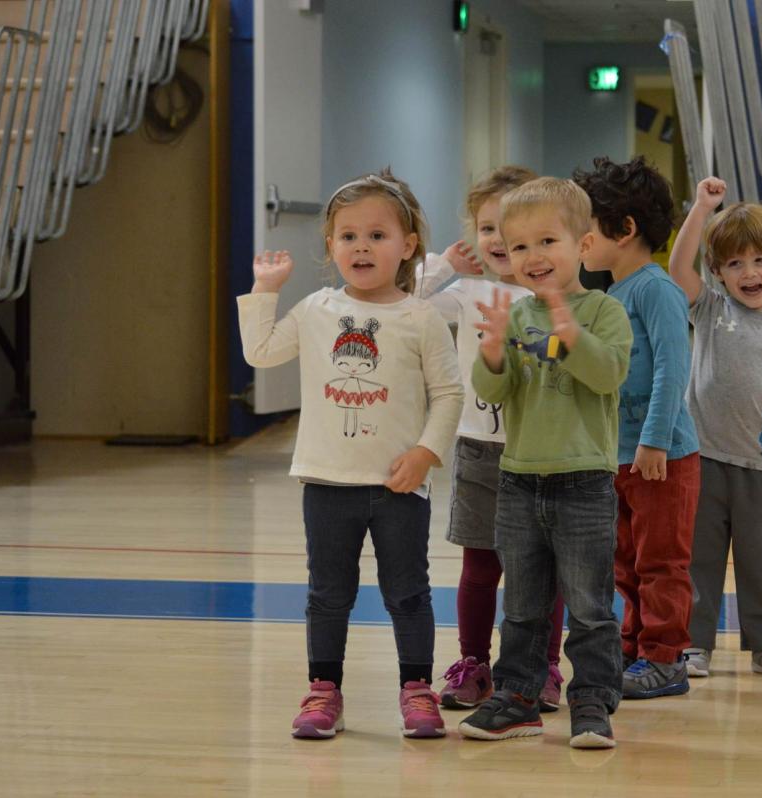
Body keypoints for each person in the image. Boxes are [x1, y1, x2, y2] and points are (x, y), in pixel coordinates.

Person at [238, 170, 464, 739]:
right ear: (332, 246)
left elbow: (449, 394)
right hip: (326, 481)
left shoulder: (421, 317)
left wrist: (426, 452)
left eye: (377, 236)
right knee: (327, 594)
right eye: (348, 236)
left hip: (399, 487)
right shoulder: (315, 309)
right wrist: (266, 290)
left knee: (408, 592)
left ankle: (417, 689)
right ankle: (323, 691)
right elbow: (261, 352)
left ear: (407, 245)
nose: (361, 246)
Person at [458, 177, 630, 749]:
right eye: (520, 246)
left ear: (582, 245)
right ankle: (517, 697)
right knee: (524, 602)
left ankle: (592, 701)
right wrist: (491, 351)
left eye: (548, 242)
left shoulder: (606, 312)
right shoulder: (515, 313)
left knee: (588, 604)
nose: (534, 257)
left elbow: (607, 375)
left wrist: (569, 328)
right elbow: (495, 391)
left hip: (584, 482)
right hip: (520, 478)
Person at [416, 166, 569, 712]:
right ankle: (474, 663)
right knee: (480, 568)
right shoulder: (467, 292)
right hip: (479, 450)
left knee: (541, 570)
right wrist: (442, 267)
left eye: (511, 226)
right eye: (486, 228)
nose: (498, 239)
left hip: (542, 453)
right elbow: (405, 303)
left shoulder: (554, 297)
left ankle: (543, 666)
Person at [667, 176, 762, 680]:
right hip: (703, 462)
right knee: (699, 561)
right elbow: (677, 267)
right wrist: (700, 208)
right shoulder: (710, 311)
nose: (748, 272)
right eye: (734, 263)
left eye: (759, 261)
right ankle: (694, 644)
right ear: (718, 272)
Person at [572, 156, 700, 699]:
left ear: (624, 230)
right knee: (625, 559)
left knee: (661, 561)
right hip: (617, 456)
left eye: (587, 228)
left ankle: (665, 658)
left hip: (662, 457)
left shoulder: (656, 289)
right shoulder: (607, 295)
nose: (579, 241)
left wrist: (653, 441)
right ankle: (633, 647)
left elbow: (674, 368)